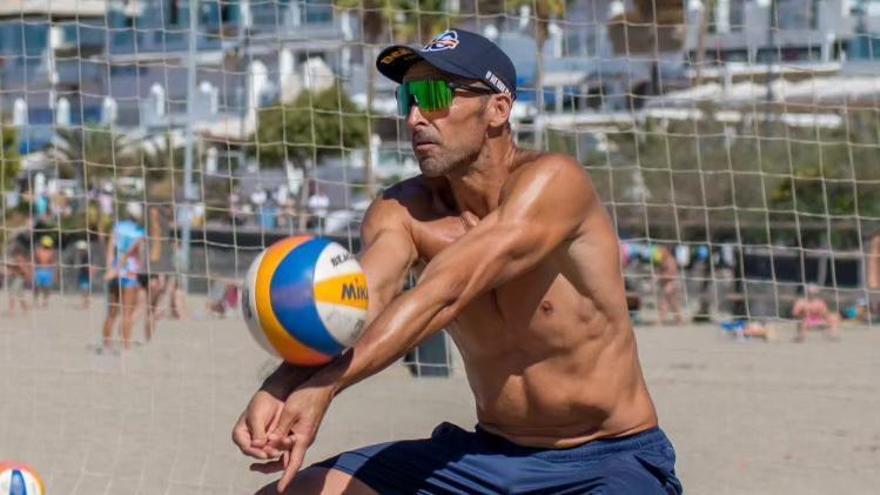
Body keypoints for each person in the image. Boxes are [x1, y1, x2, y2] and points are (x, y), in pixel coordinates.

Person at [233, 29, 681, 495]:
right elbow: (356, 301)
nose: (414, 116)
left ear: (498, 109)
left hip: (606, 457)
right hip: (487, 457)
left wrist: (325, 387)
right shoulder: (402, 211)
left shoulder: (555, 182)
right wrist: (283, 384)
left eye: (434, 95)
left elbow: (444, 292)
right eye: (407, 96)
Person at [101, 202, 145, 352]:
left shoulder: (118, 226)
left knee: (111, 313)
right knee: (127, 313)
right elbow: (136, 253)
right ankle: (126, 347)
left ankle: (106, 345)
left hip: (115, 271)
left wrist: (111, 268)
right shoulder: (140, 231)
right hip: (130, 273)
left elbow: (110, 249)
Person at [143, 205, 174, 341]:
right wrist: (160, 275)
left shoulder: (161, 231)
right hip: (156, 271)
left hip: (157, 270)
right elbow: (156, 255)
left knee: (152, 309)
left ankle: (149, 337)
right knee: (150, 308)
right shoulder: (157, 231)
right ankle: (148, 337)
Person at [651, 245, 685, 325]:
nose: (660, 252)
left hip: (671, 284)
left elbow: (671, 275)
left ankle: (660, 321)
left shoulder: (670, 260)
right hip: (666, 284)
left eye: (662, 250)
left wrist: (659, 277)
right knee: (673, 304)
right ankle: (679, 320)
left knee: (665, 302)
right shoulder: (663, 260)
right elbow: (661, 272)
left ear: (667, 251)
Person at [5, 244, 31, 316]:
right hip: (17, 278)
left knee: (12, 294)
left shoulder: (19, 258)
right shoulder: (15, 258)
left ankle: (11, 311)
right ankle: (25, 310)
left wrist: (26, 275)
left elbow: (23, 269)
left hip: (18, 278)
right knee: (20, 295)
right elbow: (12, 269)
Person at [33, 235, 56, 308]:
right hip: (43, 271)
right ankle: (41, 301)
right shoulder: (39, 251)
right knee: (40, 287)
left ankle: (42, 301)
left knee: (44, 287)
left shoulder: (40, 251)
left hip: (43, 271)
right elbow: (53, 263)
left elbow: (53, 263)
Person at [74, 240, 93, 309]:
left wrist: (89, 273)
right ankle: (85, 303)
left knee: (85, 290)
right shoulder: (84, 256)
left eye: (80, 250)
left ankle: (85, 304)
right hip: (84, 275)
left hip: (85, 275)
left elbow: (87, 267)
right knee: (85, 290)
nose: (79, 251)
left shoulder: (86, 256)